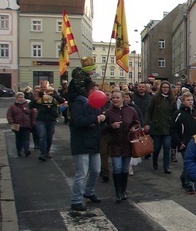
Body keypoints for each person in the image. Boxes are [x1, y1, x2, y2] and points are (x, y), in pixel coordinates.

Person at [69, 82, 104, 211]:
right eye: (96, 90)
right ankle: (76, 200)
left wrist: (101, 118)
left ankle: (89, 191)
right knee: (82, 173)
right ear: (90, 92)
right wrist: (95, 118)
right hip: (81, 142)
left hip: (94, 142)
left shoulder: (95, 105)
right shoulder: (79, 103)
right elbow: (78, 121)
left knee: (96, 170)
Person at [103, 90, 140, 203]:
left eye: (117, 98)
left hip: (127, 144)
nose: (115, 100)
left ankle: (123, 190)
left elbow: (137, 122)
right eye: (113, 98)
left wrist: (134, 128)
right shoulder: (108, 112)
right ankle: (118, 192)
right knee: (117, 168)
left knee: (124, 169)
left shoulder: (130, 110)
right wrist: (111, 127)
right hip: (115, 144)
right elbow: (102, 129)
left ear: (123, 99)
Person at [145, 80, 176, 174]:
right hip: (157, 127)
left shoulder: (172, 99)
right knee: (157, 147)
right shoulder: (155, 98)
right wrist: (147, 123)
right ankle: (155, 161)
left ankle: (166, 167)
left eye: (167, 87)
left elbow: (175, 113)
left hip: (168, 127)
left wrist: (175, 124)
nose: (165, 89)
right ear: (161, 88)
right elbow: (149, 111)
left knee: (167, 146)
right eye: (164, 87)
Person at [29, 84, 64, 161]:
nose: (44, 89)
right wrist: (35, 98)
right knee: (42, 135)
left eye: (45, 87)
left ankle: (47, 152)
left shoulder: (53, 97)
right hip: (41, 119)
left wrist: (53, 94)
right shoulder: (39, 97)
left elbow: (62, 101)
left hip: (51, 119)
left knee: (49, 137)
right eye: (42, 87)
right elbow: (30, 106)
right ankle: (43, 153)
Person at [173, 91, 196, 195]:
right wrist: (179, 142)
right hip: (184, 142)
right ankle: (188, 184)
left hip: (195, 142)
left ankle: (184, 176)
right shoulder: (178, 114)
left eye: (192, 100)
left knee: (191, 162)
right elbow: (173, 130)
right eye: (188, 100)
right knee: (189, 163)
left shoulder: (195, 113)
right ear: (183, 101)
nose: (190, 102)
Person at [7, 92, 35, 157]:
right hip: (17, 125)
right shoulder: (12, 106)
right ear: (16, 98)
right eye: (19, 97)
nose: (21, 99)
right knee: (18, 139)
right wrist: (11, 122)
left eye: (22, 97)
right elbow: (9, 115)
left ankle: (26, 150)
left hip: (26, 125)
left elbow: (32, 113)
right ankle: (19, 150)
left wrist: (32, 122)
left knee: (26, 138)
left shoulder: (28, 105)